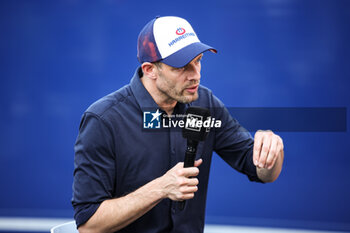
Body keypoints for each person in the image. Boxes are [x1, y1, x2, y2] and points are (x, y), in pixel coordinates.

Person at [72, 16, 284, 233]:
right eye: (182, 66)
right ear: (150, 69)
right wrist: (160, 188)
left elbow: (262, 173)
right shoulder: (104, 120)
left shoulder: (204, 104)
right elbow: (89, 226)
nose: (196, 75)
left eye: (198, 60)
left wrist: (271, 150)